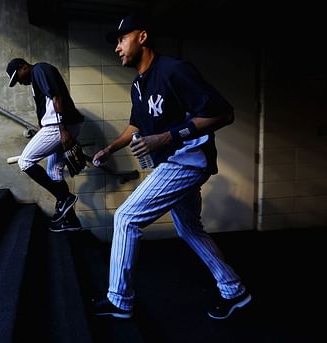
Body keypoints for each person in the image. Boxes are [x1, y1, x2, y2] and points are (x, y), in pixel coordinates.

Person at [91, 12, 251, 320]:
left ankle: (119, 300)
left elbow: (223, 114)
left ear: (142, 36)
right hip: (173, 161)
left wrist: (165, 137)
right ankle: (234, 290)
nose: (117, 47)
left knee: (126, 218)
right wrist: (110, 148)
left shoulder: (175, 70)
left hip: (187, 161)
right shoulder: (139, 84)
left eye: (122, 39)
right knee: (189, 228)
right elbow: (136, 124)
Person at [6, 58, 85, 232]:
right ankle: (70, 220)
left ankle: (64, 198)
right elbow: (46, 105)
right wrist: (42, 127)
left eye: (17, 77)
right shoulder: (36, 77)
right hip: (59, 125)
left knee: (25, 162)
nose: (19, 82)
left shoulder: (40, 69)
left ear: (23, 67)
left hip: (59, 126)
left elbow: (56, 96)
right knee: (54, 172)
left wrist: (63, 130)